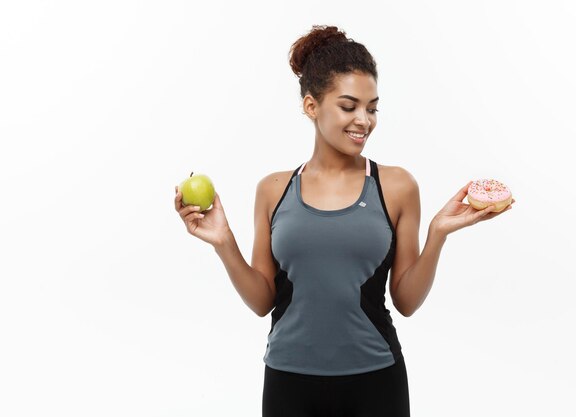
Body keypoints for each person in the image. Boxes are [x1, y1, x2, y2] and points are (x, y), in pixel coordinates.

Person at [174, 24, 514, 417]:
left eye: (372, 108)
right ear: (311, 106)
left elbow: (406, 301)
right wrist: (224, 243)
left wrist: (438, 233)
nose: (364, 121)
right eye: (349, 106)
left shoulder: (397, 185)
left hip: (375, 381)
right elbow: (262, 300)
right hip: (289, 380)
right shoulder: (273, 189)